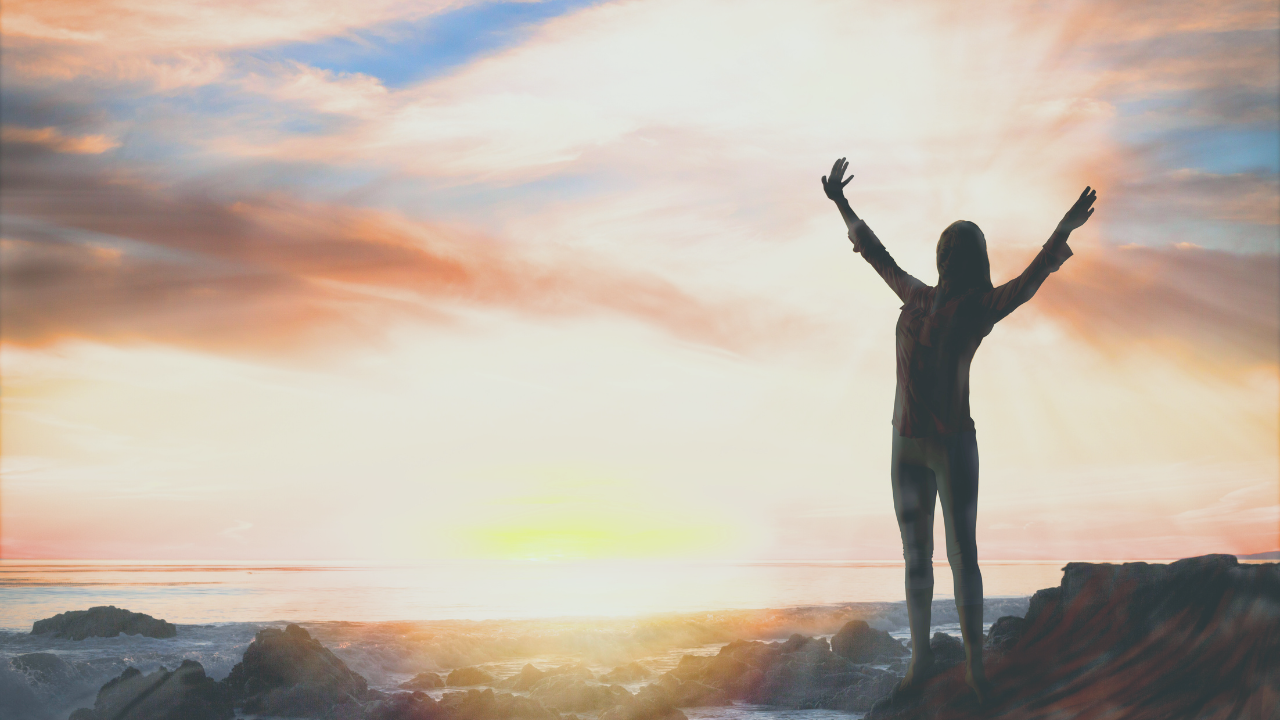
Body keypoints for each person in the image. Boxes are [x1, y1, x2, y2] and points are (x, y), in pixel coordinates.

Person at [820, 158, 1096, 705]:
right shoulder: (918, 296)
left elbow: (1027, 283)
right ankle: (924, 660)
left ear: (957, 260)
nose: (942, 257)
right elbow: (875, 254)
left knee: (960, 553)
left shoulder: (977, 308)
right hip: (906, 442)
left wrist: (1062, 232)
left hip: (947, 445)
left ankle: (974, 667)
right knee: (916, 555)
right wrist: (841, 203)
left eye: (949, 250)